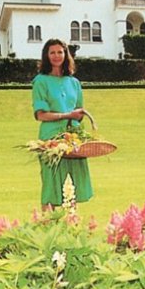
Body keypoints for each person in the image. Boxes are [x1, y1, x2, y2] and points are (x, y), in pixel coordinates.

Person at [32, 38, 93, 211]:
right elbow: (40, 115)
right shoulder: (40, 81)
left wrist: (77, 118)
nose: (57, 56)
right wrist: (67, 115)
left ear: (66, 55)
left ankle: (71, 226)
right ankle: (47, 226)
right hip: (51, 139)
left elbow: (78, 111)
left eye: (60, 52)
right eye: (52, 52)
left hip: (72, 139)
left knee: (72, 183)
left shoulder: (74, 83)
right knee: (51, 183)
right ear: (46, 56)